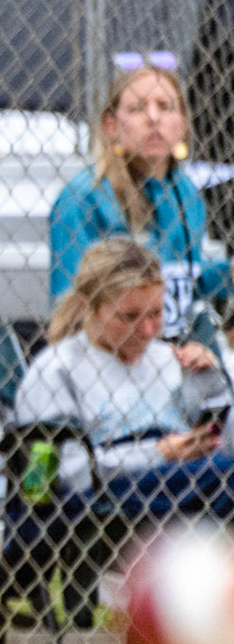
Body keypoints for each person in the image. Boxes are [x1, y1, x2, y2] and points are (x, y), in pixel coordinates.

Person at [15, 237, 234, 520]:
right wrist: (158, 453)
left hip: (190, 483)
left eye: (156, 313)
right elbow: (61, 476)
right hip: (107, 497)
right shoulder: (57, 369)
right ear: (88, 306)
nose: (147, 330)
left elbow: (223, 441)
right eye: (129, 317)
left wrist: (211, 381)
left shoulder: (169, 359)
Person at [49, 56, 230, 346]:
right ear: (111, 125)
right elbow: (70, 311)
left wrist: (227, 274)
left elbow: (183, 285)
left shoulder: (184, 191)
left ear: (183, 123)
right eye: (137, 108)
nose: (153, 118)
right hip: (113, 357)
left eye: (165, 106)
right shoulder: (83, 199)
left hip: (175, 350)